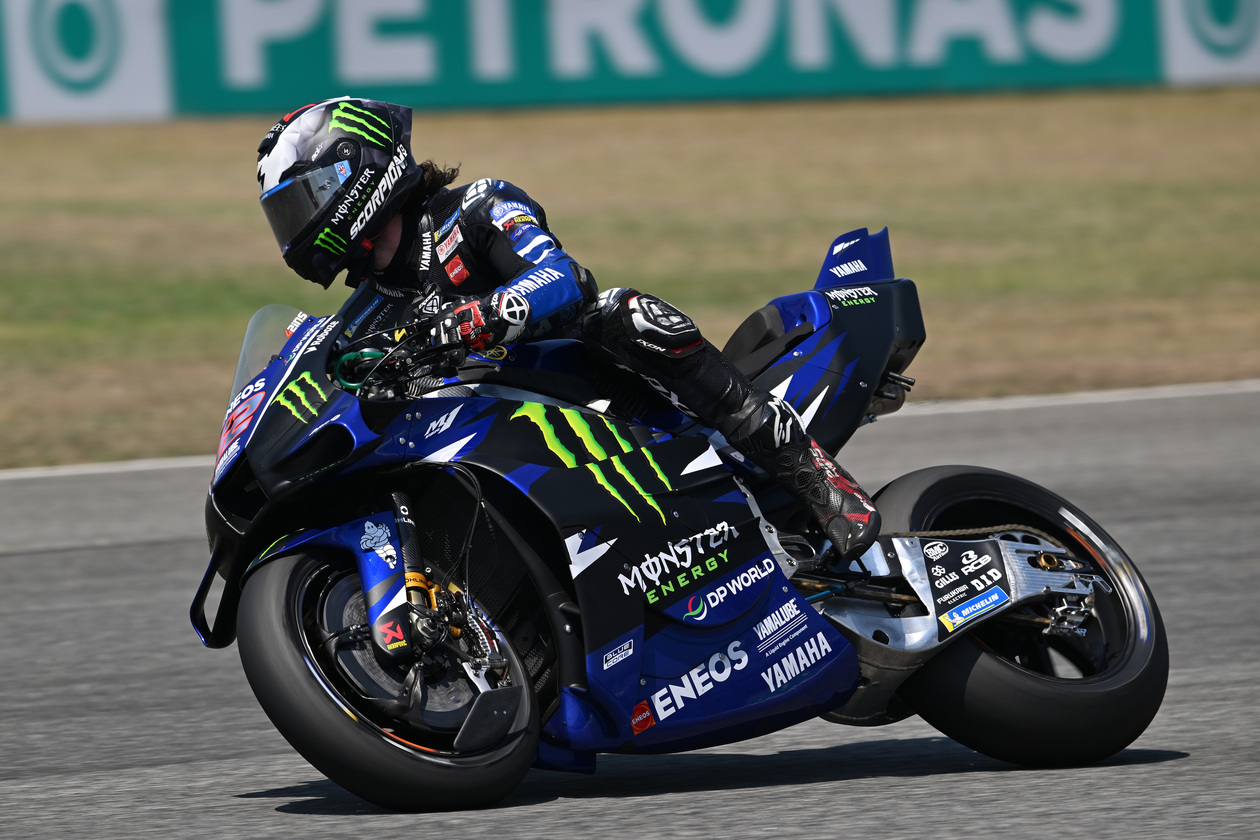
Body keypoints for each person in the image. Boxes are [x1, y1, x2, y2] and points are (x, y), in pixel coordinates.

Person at [256, 97, 879, 559]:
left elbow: (563, 279)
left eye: (299, 202)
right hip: (495, 447)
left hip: (598, 392)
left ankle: (812, 477)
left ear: (357, 173)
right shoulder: (363, 314)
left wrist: (476, 317)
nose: (294, 227)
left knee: (625, 312)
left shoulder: (476, 208)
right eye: (283, 213)